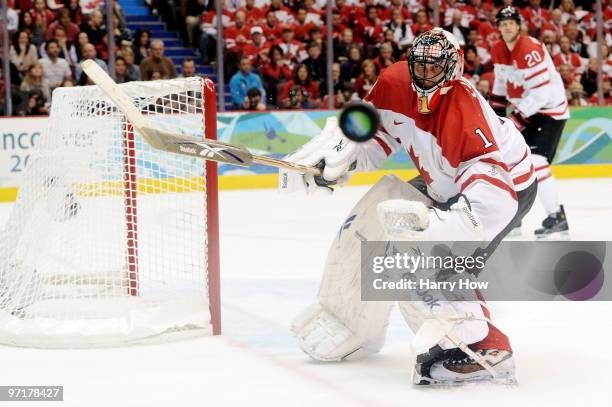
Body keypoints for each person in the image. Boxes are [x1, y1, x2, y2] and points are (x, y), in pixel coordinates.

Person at [279, 28, 536, 386]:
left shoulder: (464, 112)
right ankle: (352, 321)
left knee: (429, 254)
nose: (425, 76)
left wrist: (438, 233)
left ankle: (480, 348)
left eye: (435, 68)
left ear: (454, 69)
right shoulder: (394, 82)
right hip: (442, 180)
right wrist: (341, 161)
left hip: (507, 186)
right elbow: (376, 138)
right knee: (376, 214)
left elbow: (495, 200)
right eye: (420, 66)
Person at [489, 6, 570, 238]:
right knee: (511, 161)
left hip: (549, 112)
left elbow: (541, 95)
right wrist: (497, 117)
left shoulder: (529, 48)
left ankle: (556, 217)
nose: (507, 27)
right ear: (499, 27)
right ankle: (515, 219)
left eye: (511, 23)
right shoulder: (498, 49)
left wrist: (513, 121)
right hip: (528, 110)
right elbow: (501, 85)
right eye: (503, 23)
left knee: (536, 161)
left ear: (518, 25)